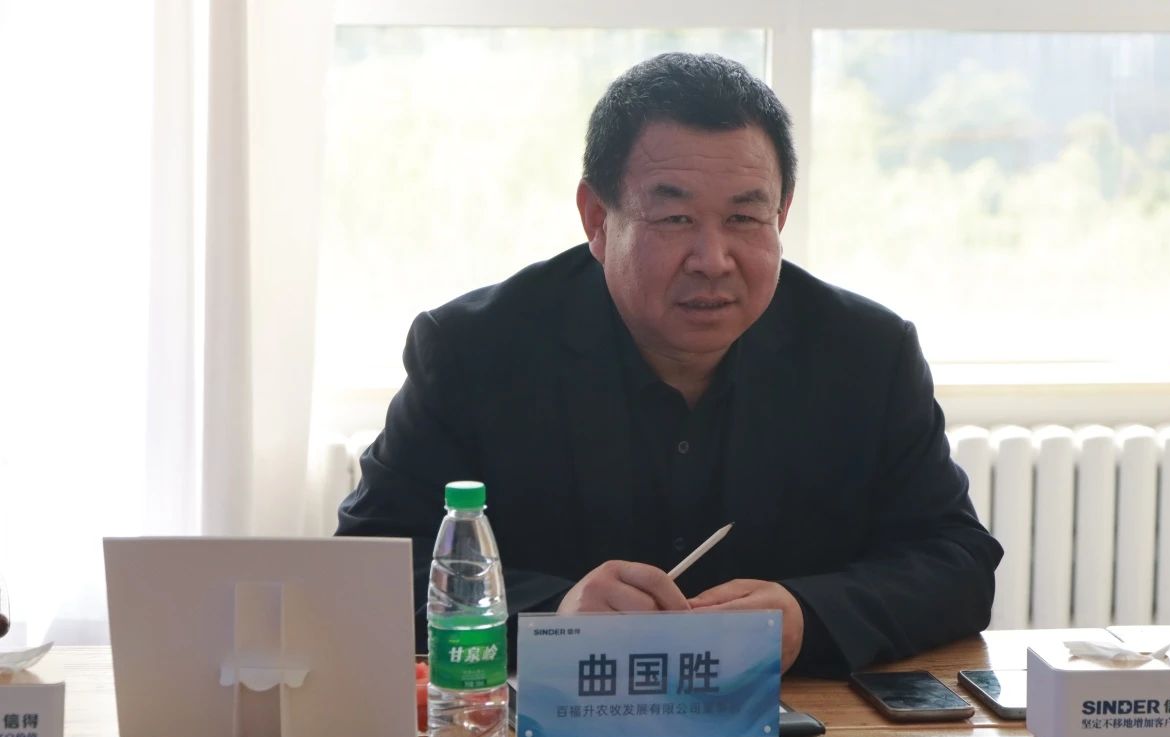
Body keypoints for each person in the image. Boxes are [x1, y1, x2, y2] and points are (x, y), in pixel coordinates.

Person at [337, 52, 1002, 678]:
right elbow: (367, 567)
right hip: (543, 733)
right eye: (676, 218)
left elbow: (957, 561)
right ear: (597, 219)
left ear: (782, 214)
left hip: (798, 734)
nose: (713, 259)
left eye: (745, 218)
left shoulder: (866, 355)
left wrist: (806, 616)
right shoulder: (474, 352)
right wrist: (554, 613)